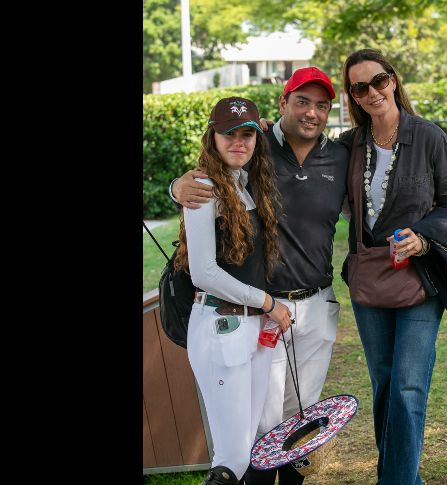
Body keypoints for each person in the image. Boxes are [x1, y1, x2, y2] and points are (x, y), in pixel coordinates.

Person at [171, 67, 350, 484]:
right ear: (282, 103)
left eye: (321, 104)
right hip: (255, 312)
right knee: (249, 438)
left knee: (297, 422)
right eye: (301, 101)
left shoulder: (333, 156)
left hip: (307, 307)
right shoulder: (244, 160)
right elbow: (204, 261)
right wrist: (177, 188)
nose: (311, 112)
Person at [337, 48, 447, 485]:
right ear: (352, 96)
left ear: (393, 80)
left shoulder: (430, 137)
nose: (372, 92)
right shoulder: (348, 146)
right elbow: (296, 159)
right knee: (385, 385)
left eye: (379, 81)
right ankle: (400, 474)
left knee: (409, 385)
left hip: (419, 278)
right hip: (371, 277)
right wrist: (266, 132)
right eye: (360, 87)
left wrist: (424, 237)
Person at [172, 96, 293, 485]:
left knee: (254, 443)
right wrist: (268, 302)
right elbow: (204, 273)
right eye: (229, 134)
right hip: (220, 328)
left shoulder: (245, 184)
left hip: (251, 330)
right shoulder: (202, 187)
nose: (238, 142)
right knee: (234, 455)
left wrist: (265, 309)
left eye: (247, 135)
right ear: (213, 137)